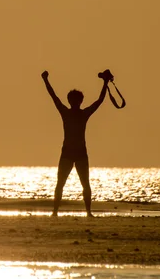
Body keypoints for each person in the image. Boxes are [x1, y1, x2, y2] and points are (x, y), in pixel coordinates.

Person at [41, 70, 111, 217]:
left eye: (76, 100)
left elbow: (99, 101)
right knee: (61, 183)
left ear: (79, 101)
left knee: (84, 183)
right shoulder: (67, 113)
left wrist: (105, 84)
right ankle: (56, 211)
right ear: (71, 101)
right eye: (73, 100)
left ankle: (87, 212)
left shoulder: (82, 114)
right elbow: (53, 95)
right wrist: (45, 80)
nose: (74, 103)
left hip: (79, 153)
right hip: (68, 152)